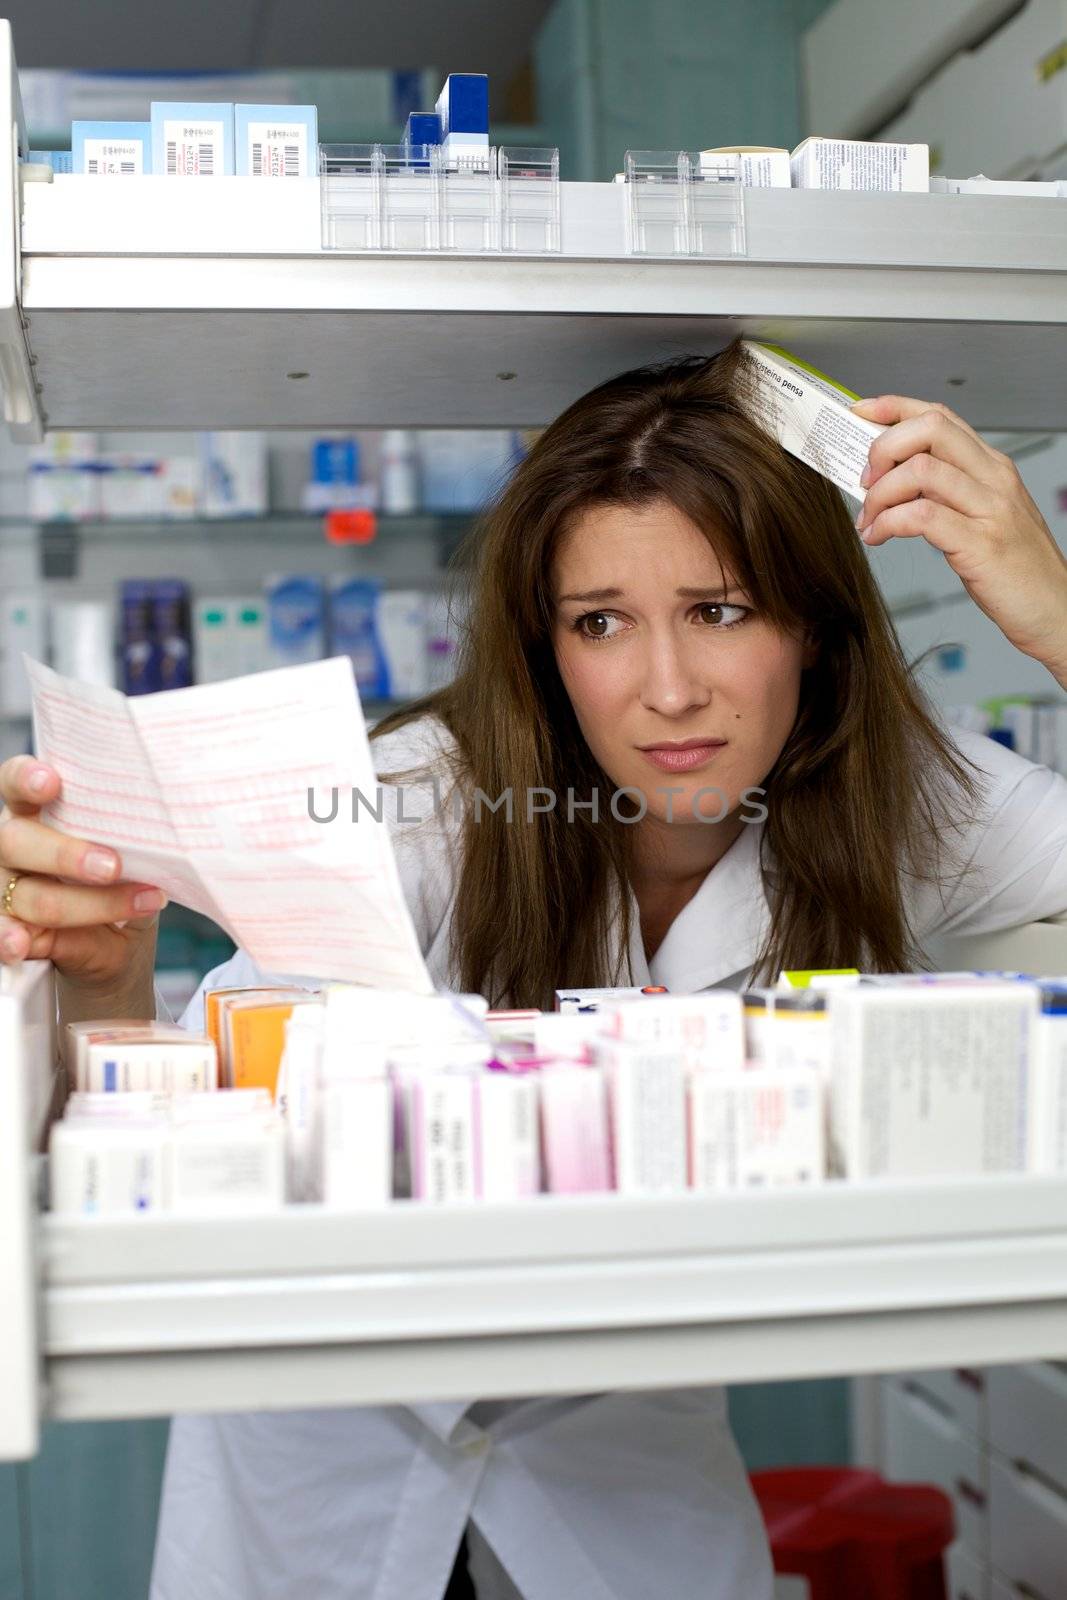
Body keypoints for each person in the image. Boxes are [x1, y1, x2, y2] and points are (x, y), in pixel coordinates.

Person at [3, 341, 1067, 1599]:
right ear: (546, 648)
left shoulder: (904, 804)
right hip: (315, 1476)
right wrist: (100, 983)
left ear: (815, 632)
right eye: (600, 622)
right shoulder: (414, 807)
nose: (668, 690)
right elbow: (177, 1121)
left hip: (616, 1495)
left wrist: (1055, 612)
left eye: (718, 611)